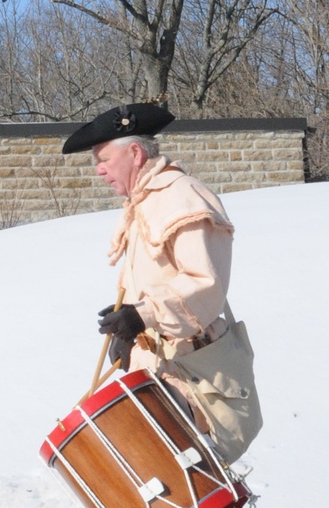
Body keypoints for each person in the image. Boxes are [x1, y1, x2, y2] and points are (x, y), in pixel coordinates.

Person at [62, 102, 235, 422]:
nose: (98, 170)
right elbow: (151, 282)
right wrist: (127, 333)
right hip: (157, 369)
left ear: (135, 154)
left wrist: (142, 316)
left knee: (192, 469)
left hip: (190, 375)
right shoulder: (143, 204)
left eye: (103, 159)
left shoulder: (183, 197)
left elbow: (206, 285)